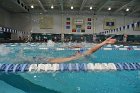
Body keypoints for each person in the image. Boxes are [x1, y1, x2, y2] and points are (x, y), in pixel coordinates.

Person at [36, 37, 116, 63]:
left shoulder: (77, 57)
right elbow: (91, 50)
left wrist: (104, 43)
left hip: (60, 59)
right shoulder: (77, 56)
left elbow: (92, 50)